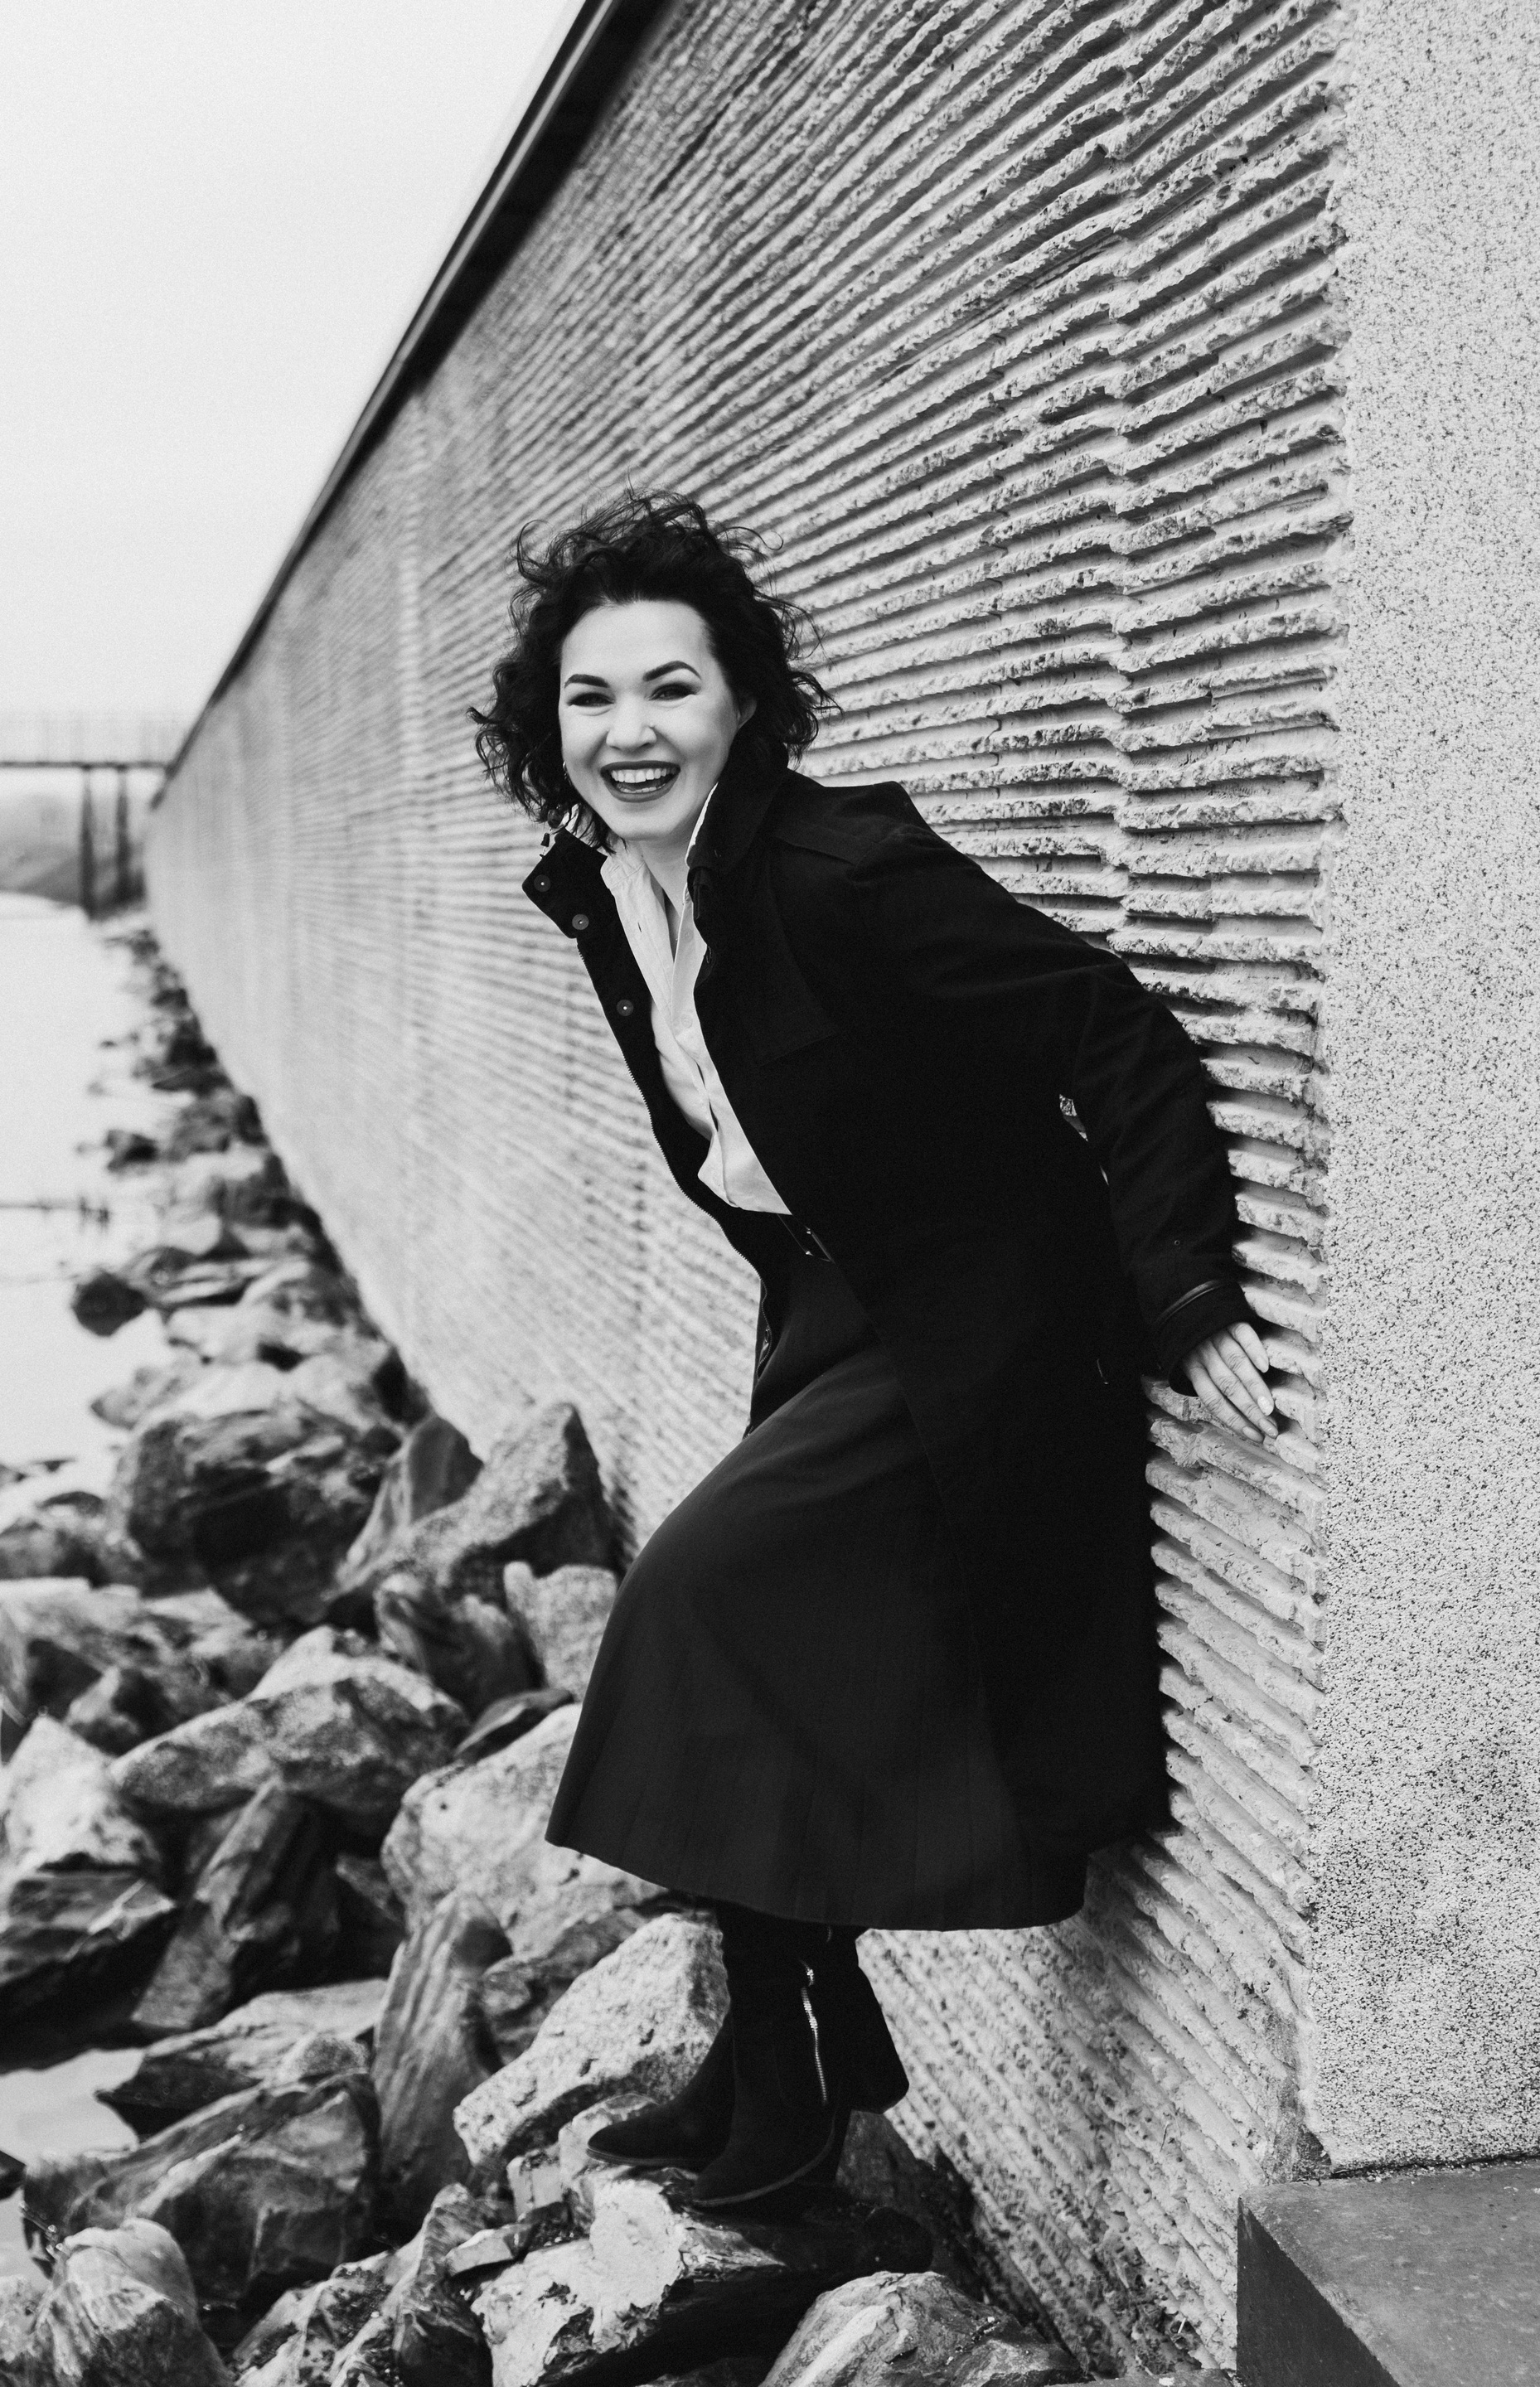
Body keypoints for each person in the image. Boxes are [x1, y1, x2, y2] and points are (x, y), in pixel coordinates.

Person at [472, 491, 1275, 2210]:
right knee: (752, 1644)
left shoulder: (841, 872)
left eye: (672, 688)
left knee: (691, 1596)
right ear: (550, 728)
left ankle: (793, 2060)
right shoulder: (611, 893)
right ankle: (788, 2039)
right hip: (839, 1299)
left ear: (745, 703)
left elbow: (1109, 1029)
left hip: (978, 1314)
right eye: (592, 697)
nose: (631, 731)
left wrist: (1185, 1289)